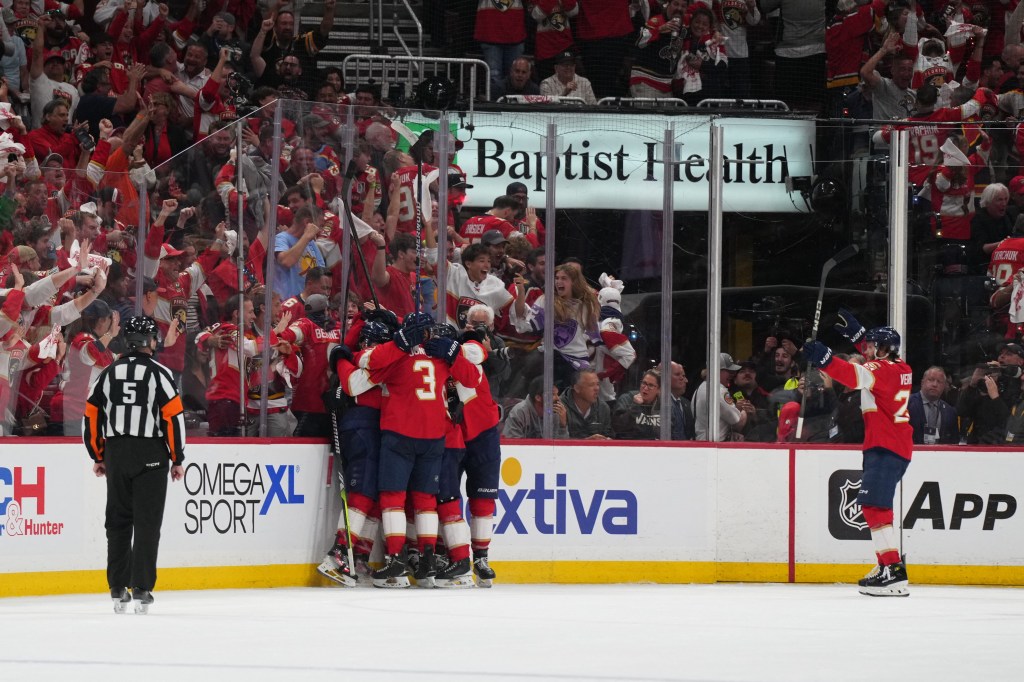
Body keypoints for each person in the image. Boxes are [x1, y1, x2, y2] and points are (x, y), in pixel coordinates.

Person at [83, 315, 186, 614]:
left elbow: (91, 415)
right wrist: (177, 458)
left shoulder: (108, 373)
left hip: (116, 452)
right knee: (147, 522)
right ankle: (141, 587)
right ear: (149, 342)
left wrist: (98, 454)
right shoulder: (160, 374)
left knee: (117, 521)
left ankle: (117, 586)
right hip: (151, 452)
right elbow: (174, 418)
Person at [804, 318, 913, 597]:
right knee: (875, 505)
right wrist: (860, 335)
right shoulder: (901, 367)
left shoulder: (878, 370)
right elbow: (874, 363)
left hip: (885, 447)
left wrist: (824, 357)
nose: (868, 350)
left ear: (885, 349)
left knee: (874, 506)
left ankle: (893, 571)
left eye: (873, 346)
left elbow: (853, 375)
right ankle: (886, 565)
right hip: (890, 446)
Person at [694, 353, 747, 441]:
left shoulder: (701, 387)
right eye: (729, 371)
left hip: (704, 443)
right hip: (715, 446)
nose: (732, 374)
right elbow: (739, 423)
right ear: (716, 370)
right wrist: (744, 410)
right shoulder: (718, 390)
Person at [503, 375, 569, 439]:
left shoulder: (555, 412)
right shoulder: (519, 412)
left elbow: (560, 447)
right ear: (538, 397)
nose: (558, 398)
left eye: (557, 394)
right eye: (553, 394)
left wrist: (562, 426)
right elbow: (513, 445)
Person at [612, 368, 668, 440]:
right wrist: (635, 406)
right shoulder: (626, 399)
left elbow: (669, 431)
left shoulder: (663, 405)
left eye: (650, 385)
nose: (645, 388)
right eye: (644, 383)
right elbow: (617, 427)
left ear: (659, 390)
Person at [909, 366, 959, 445]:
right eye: (931, 380)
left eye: (939, 382)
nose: (935, 384)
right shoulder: (907, 404)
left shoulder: (950, 412)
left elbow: (954, 442)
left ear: (944, 386)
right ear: (922, 382)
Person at [562, 368, 613, 439]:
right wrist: (585, 442)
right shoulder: (561, 407)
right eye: (591, 385)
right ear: (577, 388)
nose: (597, 388)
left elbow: (608, 434)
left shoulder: (603, 408)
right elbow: (554, 442)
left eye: (597, 384)